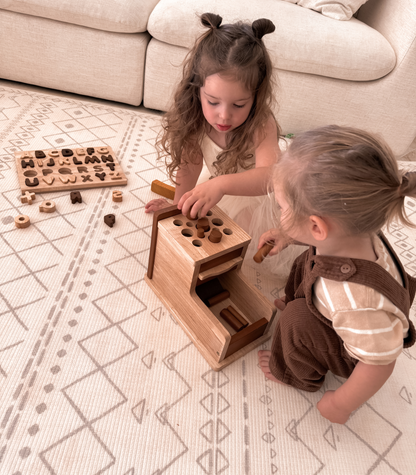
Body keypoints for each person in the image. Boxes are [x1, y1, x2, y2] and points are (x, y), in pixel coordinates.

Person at [257, 125, 416, 424]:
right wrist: (288, 234)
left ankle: (294, 374)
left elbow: (379, 362)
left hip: (353, 352)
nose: (278, 212)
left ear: (317, 227)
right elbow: (327, 235)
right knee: (306, 260)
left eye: (282, 208)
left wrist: (341, 404)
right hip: (344, 288)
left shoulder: (358, 304)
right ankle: (302, 300)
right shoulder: (355, 228)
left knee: (295, 321)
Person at [145, 12, 301, 278]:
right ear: (196, 90)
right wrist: (178, 203)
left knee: (245, 238)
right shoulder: (196, 119)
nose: (224, 116)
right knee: (201, 220)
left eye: (239, 105)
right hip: (224, 184)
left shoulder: (262, 124)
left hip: (266, 196)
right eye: (213, 102)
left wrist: (220, 184)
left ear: (257, 95)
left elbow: (270, 177)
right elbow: (190, 165)